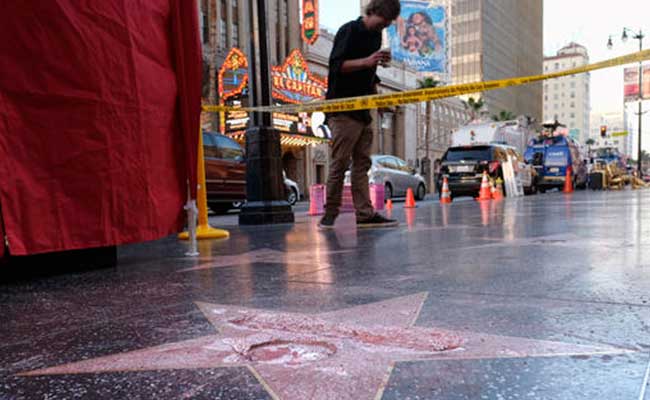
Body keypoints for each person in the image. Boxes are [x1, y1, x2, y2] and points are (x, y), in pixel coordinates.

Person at [318, 0, 401, 229]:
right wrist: (367, 61)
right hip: (343, 110)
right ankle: (330, 214)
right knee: (340, 163)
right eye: (382, 21)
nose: (383, 27)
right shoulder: (349, 30)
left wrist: (376, 88)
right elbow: (337, 66)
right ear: (372, 12)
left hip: (364, 110)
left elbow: (368, 72)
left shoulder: (375, 37)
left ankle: (364, 214)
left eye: (387, 24)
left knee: (362, 164)